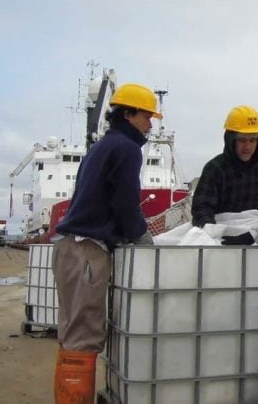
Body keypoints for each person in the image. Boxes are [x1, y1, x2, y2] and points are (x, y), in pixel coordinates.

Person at [52, 83, 160, 403]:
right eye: (146, 116)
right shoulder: (126, 149)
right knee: (83, 337)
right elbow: (125, 203)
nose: (150, 124)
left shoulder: (102, 147)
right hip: (87, 251)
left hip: (71, 248)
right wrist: (142, 237)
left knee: (72, 335)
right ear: (128, 114)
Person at [191, 105, 258, 241]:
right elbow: (202, 208)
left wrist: (255, 234)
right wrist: (216, 234)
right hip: (220, 236)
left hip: (253, 235)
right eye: (242, 140)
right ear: (230, 140)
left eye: (252, 140)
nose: (248, 146)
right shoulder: (215, 168)